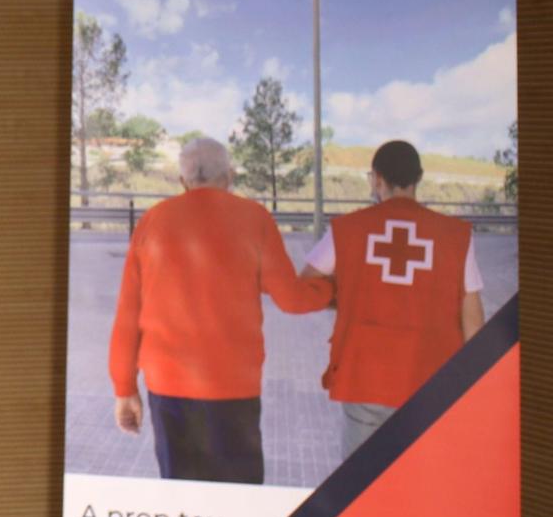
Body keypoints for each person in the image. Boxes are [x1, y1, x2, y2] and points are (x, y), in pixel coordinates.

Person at [107, 136, 331, 483]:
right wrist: (330, 290)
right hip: (234, 390)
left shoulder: (152, 222)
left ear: (183, 183)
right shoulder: (255, 219)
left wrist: (124, 388)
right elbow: (292, 299)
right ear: (230, 176)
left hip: (168, 388)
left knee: (182, 501)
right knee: (238, 499)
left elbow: (127, 315)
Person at [302, 139, 485, 456]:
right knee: (422, 484)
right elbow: (474, 323)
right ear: (419, 178)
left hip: (365, 380)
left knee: (359, 487)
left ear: (376, 179)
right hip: (433, 386)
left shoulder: (348, 229)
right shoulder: (456, 236)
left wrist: (347, 297)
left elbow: (307, 285)